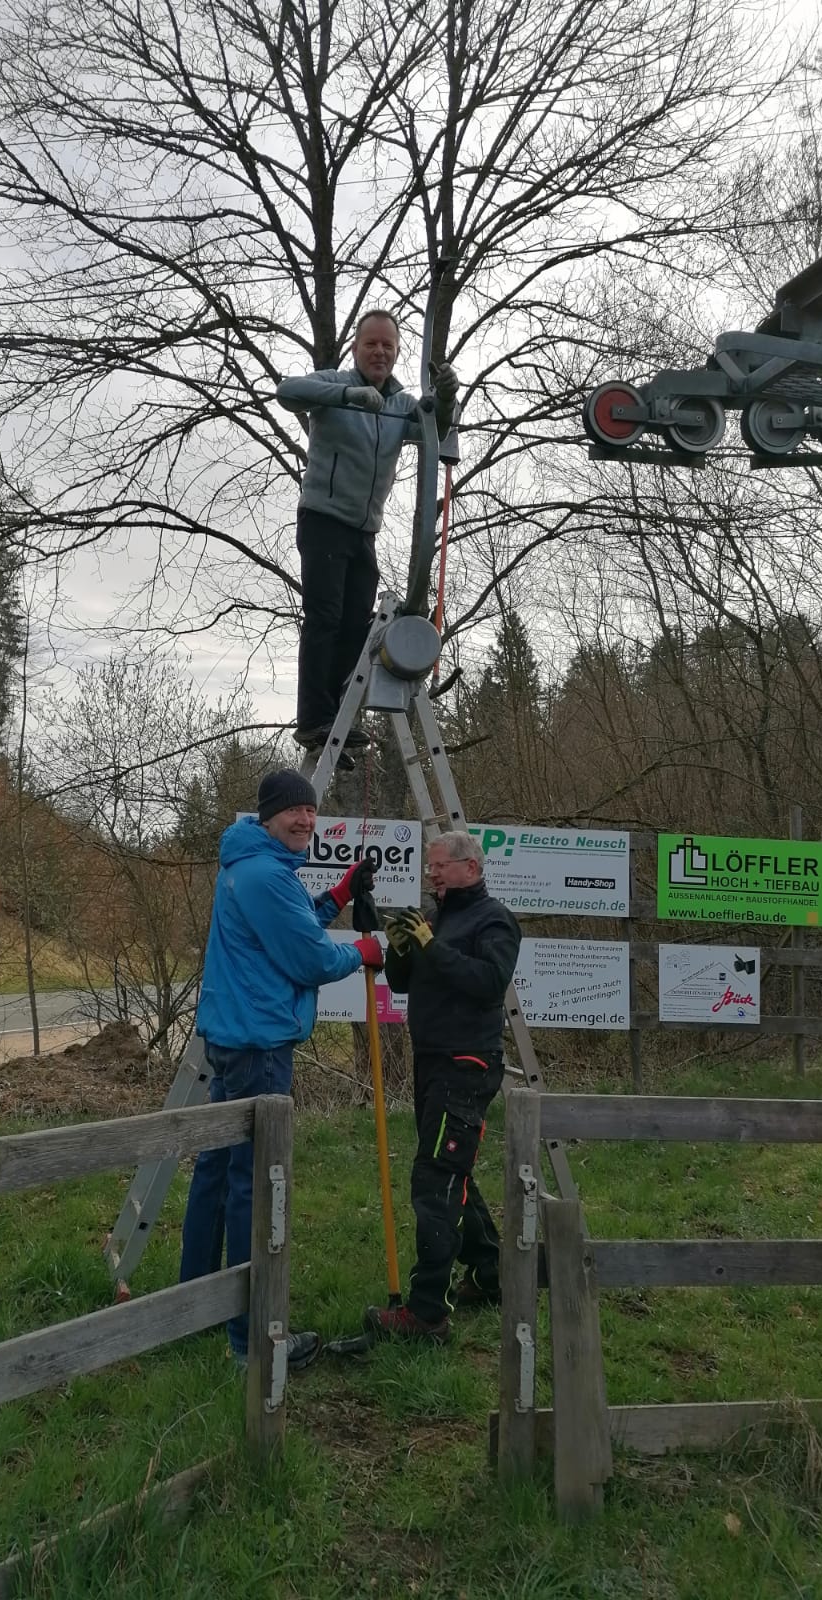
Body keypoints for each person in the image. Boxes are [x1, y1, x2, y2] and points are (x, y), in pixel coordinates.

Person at [179, 767, 384, 1370]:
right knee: (255, 1185)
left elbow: (291, 931)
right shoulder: (268, 875)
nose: (305, 820)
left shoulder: (252, 867)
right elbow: (309, 959)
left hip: (236, 1037)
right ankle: (251, 1340)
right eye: (295, 812)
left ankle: (195, 1307)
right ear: (268, 817)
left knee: (217, 1170)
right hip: (261, 1045)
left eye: (312, 812)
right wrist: (365, 951)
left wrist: (340, 895)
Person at [276, 310, 459, 749]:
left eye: (388, 346)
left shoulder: (399, 404)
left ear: (396, 354)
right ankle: (313, 719)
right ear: (356, 348)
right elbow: (287, 392)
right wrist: (349, 396)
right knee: (325, 617)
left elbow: (435, 430)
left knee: (357, 623)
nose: (379, 352)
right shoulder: (333, 382)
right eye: (371, 344)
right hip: (323, 519)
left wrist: (448, 399)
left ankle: (336, 716)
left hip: (364, 531)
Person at [367, 830, 520, 1343]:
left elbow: (488, 983)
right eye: (428, 867)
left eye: (438, 866)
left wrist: (434, 948)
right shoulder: (437, 917)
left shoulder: (494, 919)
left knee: (435, 1179)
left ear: (469, 869)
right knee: (452, 1171)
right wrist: (402, 950)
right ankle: (494, 1275)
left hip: (467, 1063)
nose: (430, 874)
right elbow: (406, 983)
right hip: (431, 1062)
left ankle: (428, 1312)